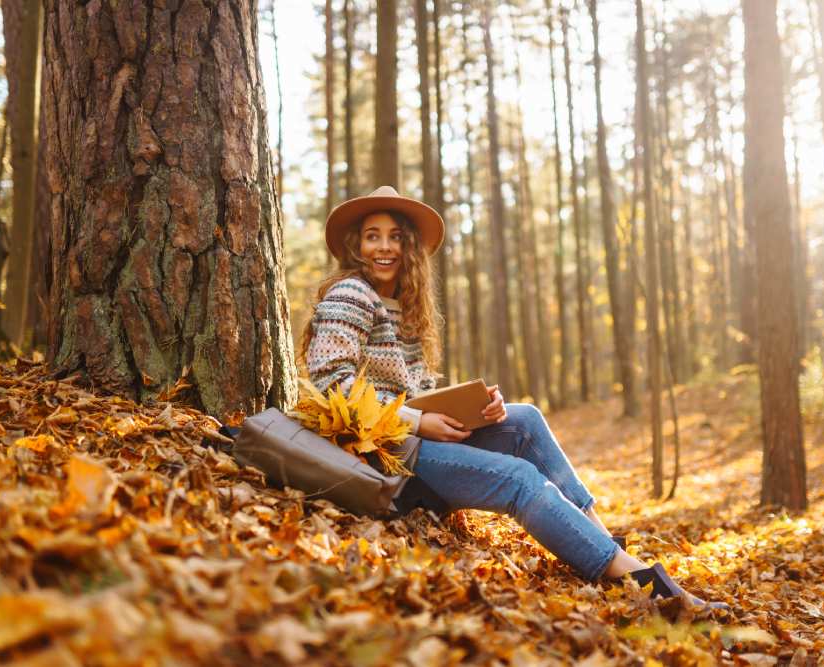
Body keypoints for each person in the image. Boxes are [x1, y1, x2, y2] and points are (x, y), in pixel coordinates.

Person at [299, 186, 728, 612]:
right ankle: (643, 583)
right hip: (383, 456)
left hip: (412, 440)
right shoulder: (350, 295)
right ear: (356, 245)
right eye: (373, 235)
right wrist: (416, 422)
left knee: (524, 420)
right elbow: (331, 385)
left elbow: (414, 391)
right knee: (521, 479)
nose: (385, 246)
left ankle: (602, 541)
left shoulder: (402, 304)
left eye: (395, 236)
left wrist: (475, 406)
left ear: (409, 246)